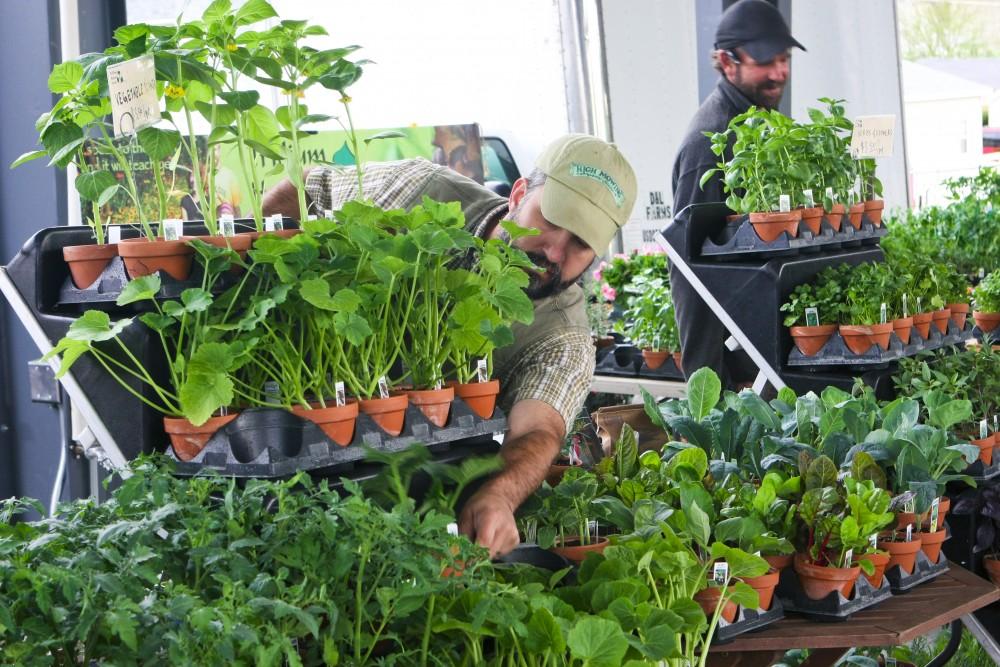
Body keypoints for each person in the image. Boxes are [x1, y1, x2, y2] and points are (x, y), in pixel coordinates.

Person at [261, 134, 637, 557]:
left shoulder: (563, 335)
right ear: (518, 194)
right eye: (550, 220)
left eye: (580, 244)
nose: (554, 250)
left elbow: (538, 430)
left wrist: (501, 495)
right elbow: (297, 190)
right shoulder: (419, 193)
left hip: (420, 493)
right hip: (284, 446)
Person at [669, 0, 805, 389]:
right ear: (727, 62)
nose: (780, 71)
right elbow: (688, 266)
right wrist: (706, 384)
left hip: (773, 341)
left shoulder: (764, 121)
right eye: (765, 61)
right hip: (742, 357)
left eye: (784, 58)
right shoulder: (708, 143)